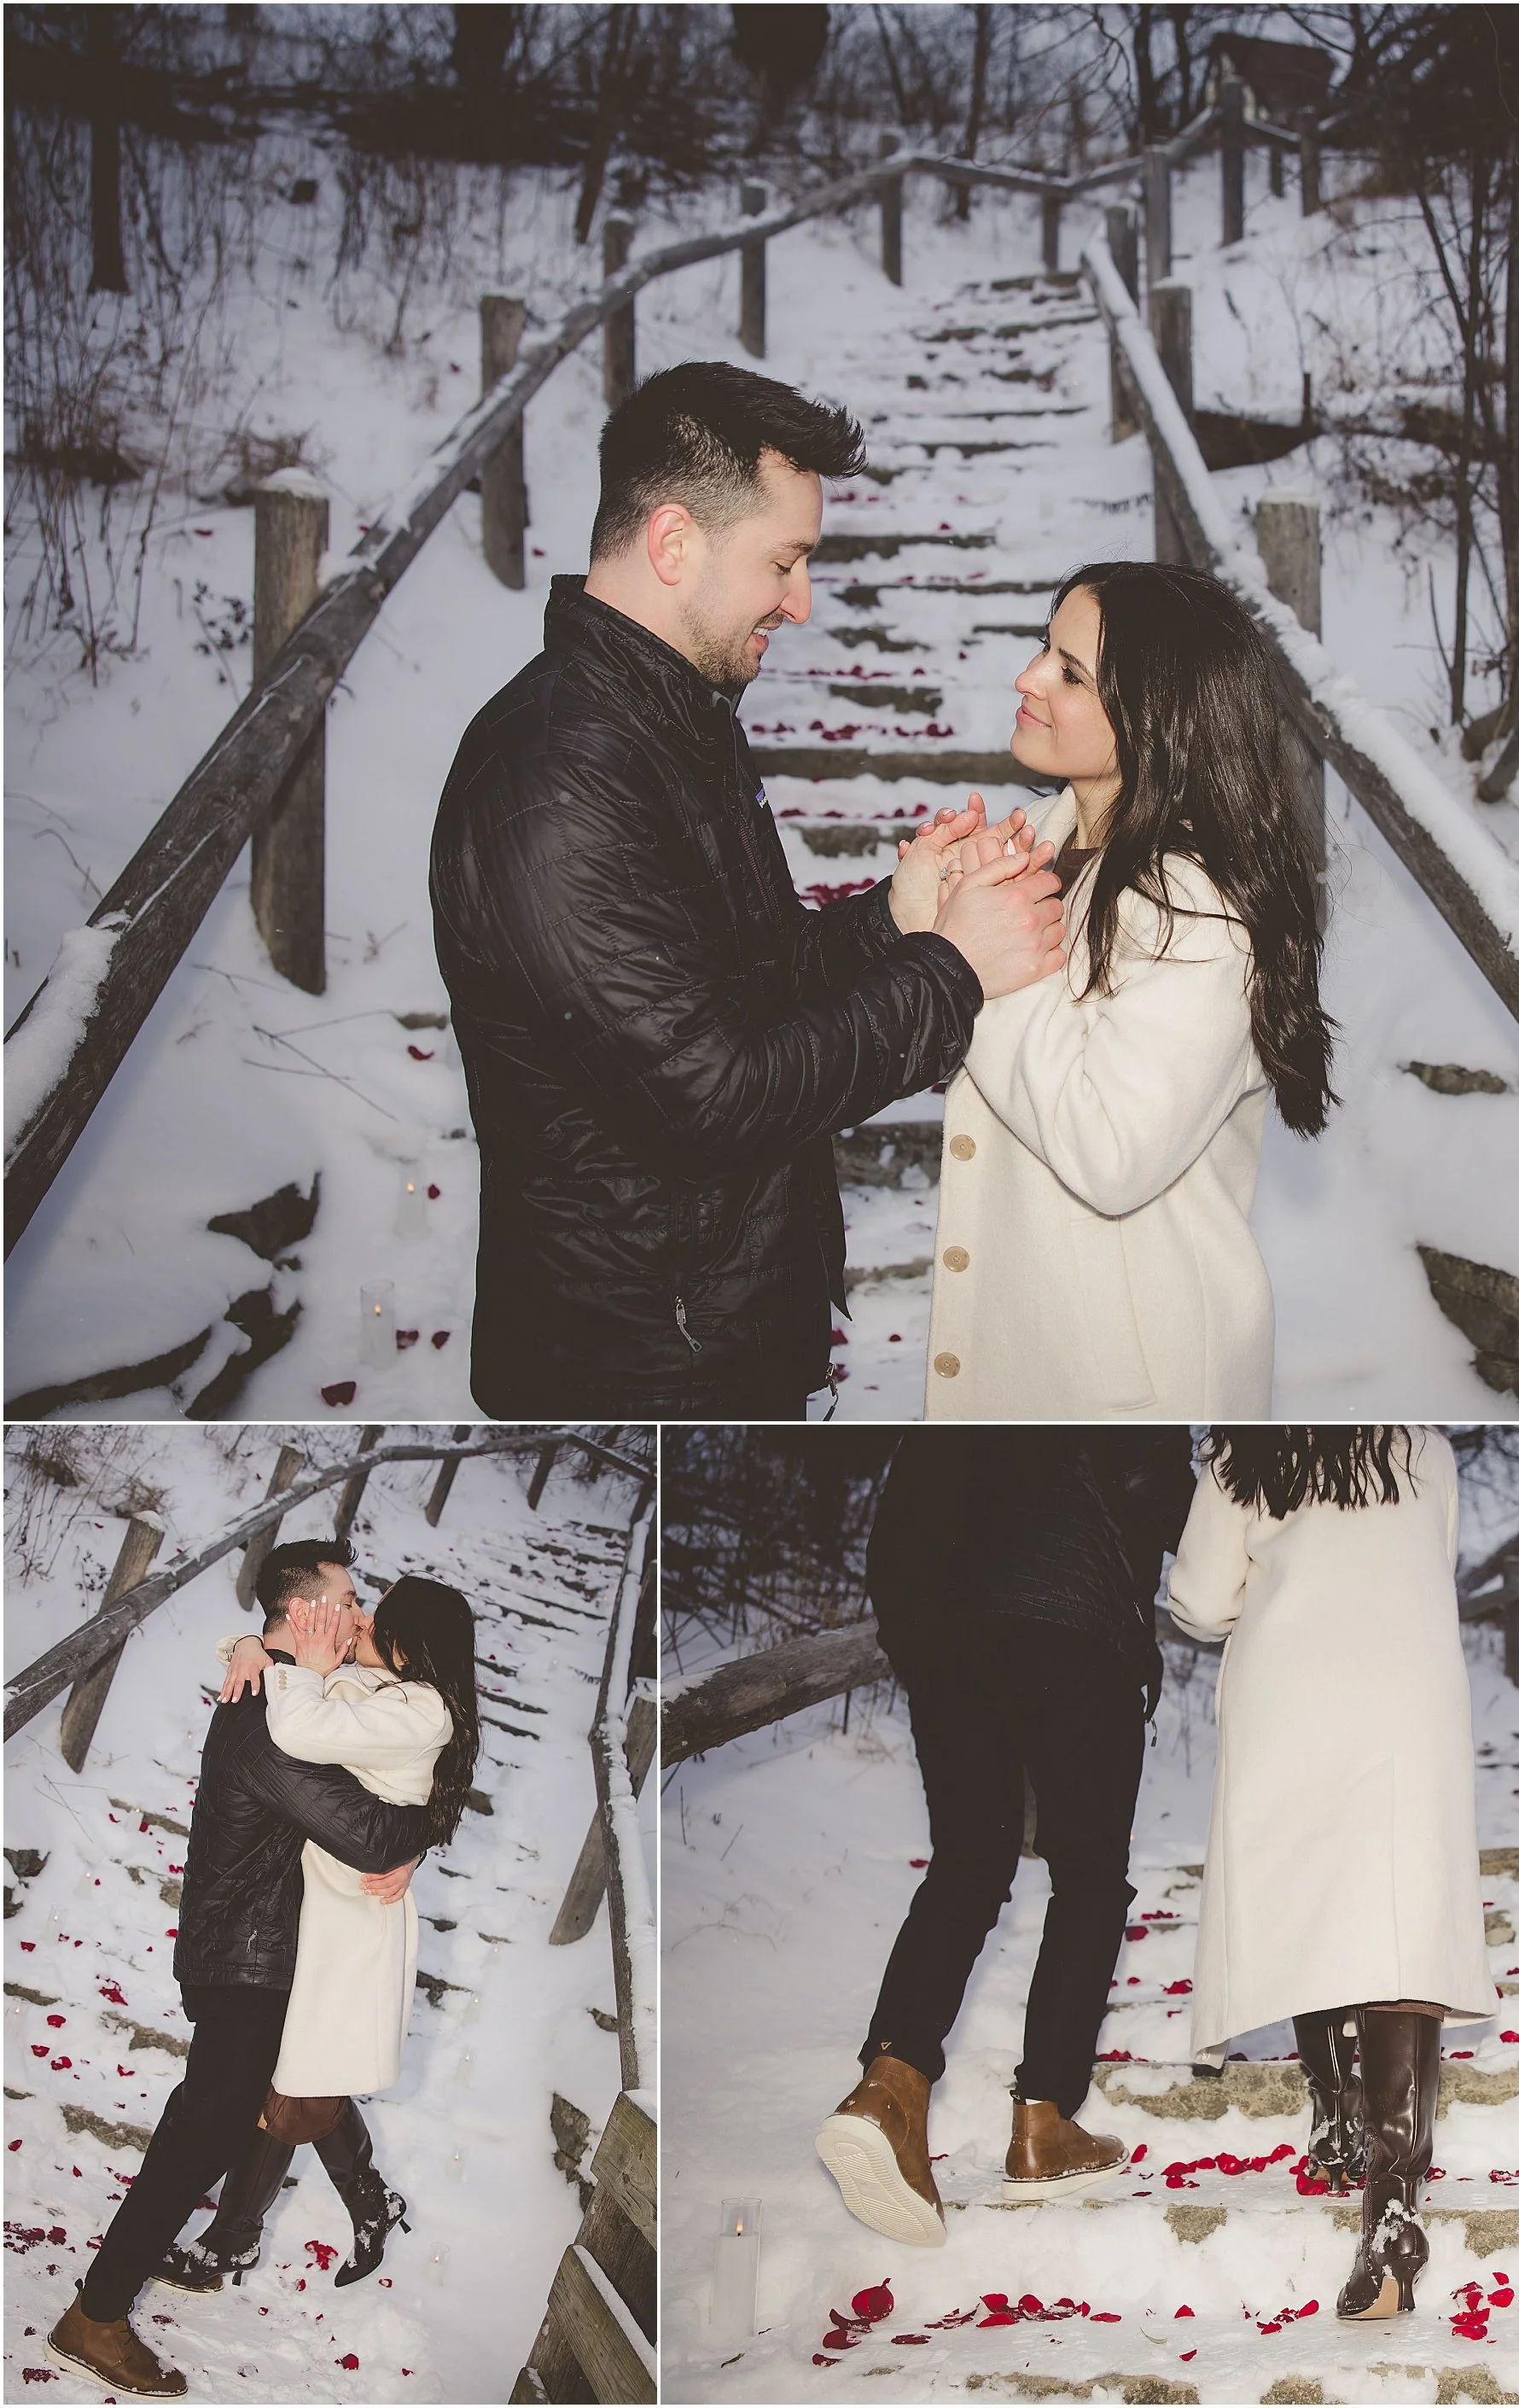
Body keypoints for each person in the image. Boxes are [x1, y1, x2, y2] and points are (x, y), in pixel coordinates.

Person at [432, 359, 1067, 1420]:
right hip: (635, 1366)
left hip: (711, 1326)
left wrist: (895, 918)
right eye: (785, 562)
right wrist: (950, 970)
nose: (802, 601)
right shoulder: (557, 780)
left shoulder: (675, 723)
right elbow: (713, 1096)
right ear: (674, 541)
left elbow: (741, 989)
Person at [922, 560, 1336, 1418]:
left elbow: (1109, 1153)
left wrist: (977, 949)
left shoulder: (1200, 906)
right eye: (1045, 647)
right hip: (1025, 1345)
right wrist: (934, 920)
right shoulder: (1041, 840)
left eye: (1069, 673)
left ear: (1157, 719)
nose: (1028, 677)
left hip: (1121, 1383)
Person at [45, 1543, 432, 2400]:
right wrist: (413, 1837)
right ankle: (97, 2315)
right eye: (348, 1597)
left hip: (266, 1953)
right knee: (201, 2137)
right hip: (247, 1958)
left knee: (222, 2126)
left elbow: (374, 1776)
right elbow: (368, 1832)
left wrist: (250, 1644)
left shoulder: (286, 1685)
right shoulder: (266, 1706)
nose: (362, 1613)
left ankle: (131, 2290)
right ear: (304, 1613)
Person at [813, 1427, 1196, 2243]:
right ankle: (1044, 2120)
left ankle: (890, 2086)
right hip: (1074, 1626)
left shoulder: (965, 1378)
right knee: (1089, 1876)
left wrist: (917, 1643)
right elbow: (1155, 1492)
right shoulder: (1117, 1371)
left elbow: (894, 1524)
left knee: (969, 1860)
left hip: (948, 1632)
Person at [1166, 1427, 1493, 2324]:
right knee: (1397, 1917)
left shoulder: (1246, 1451)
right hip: (1405, 1688)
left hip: (1291, 1685)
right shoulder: (1425, 1444)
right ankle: (1391, 2214)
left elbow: (1195, 1600)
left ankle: (1332, 2111)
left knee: (1307, 1887)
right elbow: (1432, 1562)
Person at [150, 1572, 481, 2297]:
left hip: (353, 1923)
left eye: (372, 1615)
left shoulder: (421, 1709)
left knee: (294, 2078)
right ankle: (370, 2200)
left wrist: (315, 1672)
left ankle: (230, 2243)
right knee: (303, 2072)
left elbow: (301, 1726)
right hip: (314, 1907)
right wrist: (247, 1643)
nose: (357, 1619)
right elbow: (275, 1666)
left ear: (408, 1641)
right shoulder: (379, 1688)